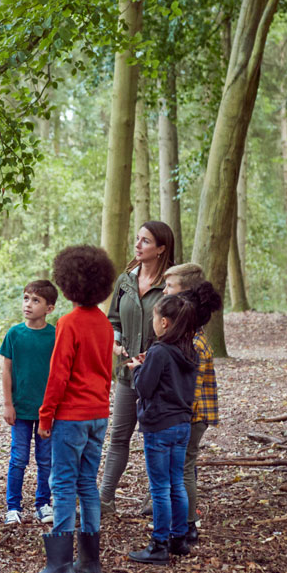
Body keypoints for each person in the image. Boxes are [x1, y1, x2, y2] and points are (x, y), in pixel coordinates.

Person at [26, 246, 118, 573]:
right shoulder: (105, 325)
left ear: (67, 285)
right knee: (87, 485)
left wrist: (46, 416)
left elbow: (58, 375)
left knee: (62, 484)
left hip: (71, 417)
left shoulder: (68, 323)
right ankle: (90, 563)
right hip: (98, 415)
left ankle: (60, 565)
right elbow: (106, 372)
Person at [99, 221, 177, 517]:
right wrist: (116, 343)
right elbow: (113, 319)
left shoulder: (172, 283)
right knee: (119, 435)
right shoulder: (125, 280)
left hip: (161, 375)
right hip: (127, 373)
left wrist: (157, 352)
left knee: (156, 438)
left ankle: (156, 499)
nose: (138, 245)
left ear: (161, 249)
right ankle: (105, 499)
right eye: (137, 239)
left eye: (146, 241)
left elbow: (181, 326)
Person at [123, 292, 205, 565]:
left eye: (155, 317)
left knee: (160, 487)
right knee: (177, 482)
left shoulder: (160, 351)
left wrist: (136, 369)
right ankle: (179, 538)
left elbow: (145, 388)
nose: (153, 322)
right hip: (182, 424)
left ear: (166, 323)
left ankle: (159, 544)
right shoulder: (189, 351)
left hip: (160, 425)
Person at [161, 264, 223, 544]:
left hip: (191, 415)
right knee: (183, 467)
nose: (164, 291)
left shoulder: (194, 344)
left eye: (170, 287)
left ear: (184, 295)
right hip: (190, 415)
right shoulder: (189, 338)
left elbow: (190, 390)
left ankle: (188, 525)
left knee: (184, 468)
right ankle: (183, 519)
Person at [0, 280, 59, 526]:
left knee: (46, 459)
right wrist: (7, 403)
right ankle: (13, 507)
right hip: (20, 408)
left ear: (49, 308)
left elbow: (60, 372)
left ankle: (43, 504)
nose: (28, 304)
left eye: (36, 300)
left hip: (47, 410)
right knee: (18, 458)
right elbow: (6, 369)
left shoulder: (55, 335)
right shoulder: (14, 334)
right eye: (26, 298)